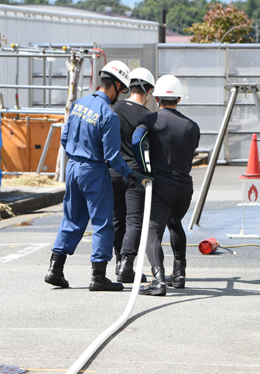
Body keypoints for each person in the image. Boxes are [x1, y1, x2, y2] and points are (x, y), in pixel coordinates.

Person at [44, 61, 151, 291]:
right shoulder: (108, 115)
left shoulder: (79, 104)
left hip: (72, 167)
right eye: (121, 90)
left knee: (72, 218)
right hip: (93, 170)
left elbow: (64, 140)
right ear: (114, 85)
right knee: (103, 223)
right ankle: (99, 276)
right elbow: (112, 157)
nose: (119, 95)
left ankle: (55, 268)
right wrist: (132, 175)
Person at [132, 75, 200, 296]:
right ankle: (179, 274)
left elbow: (136, 141)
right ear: (178, 98)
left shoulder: (151, 121)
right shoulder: (192, 126)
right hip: (185, 186)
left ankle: (158, 280)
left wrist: (144, 169)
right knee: (175, 223)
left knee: (152, 231)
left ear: (157, 97)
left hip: (161, 184)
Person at [111, 67, 156, 283]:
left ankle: (118, 262)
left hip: (111, 172)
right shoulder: (149, 117)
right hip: (135, 175)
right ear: (147, 90)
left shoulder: (114, 107)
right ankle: (128, 264)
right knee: (134, 220)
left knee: (117, 219)